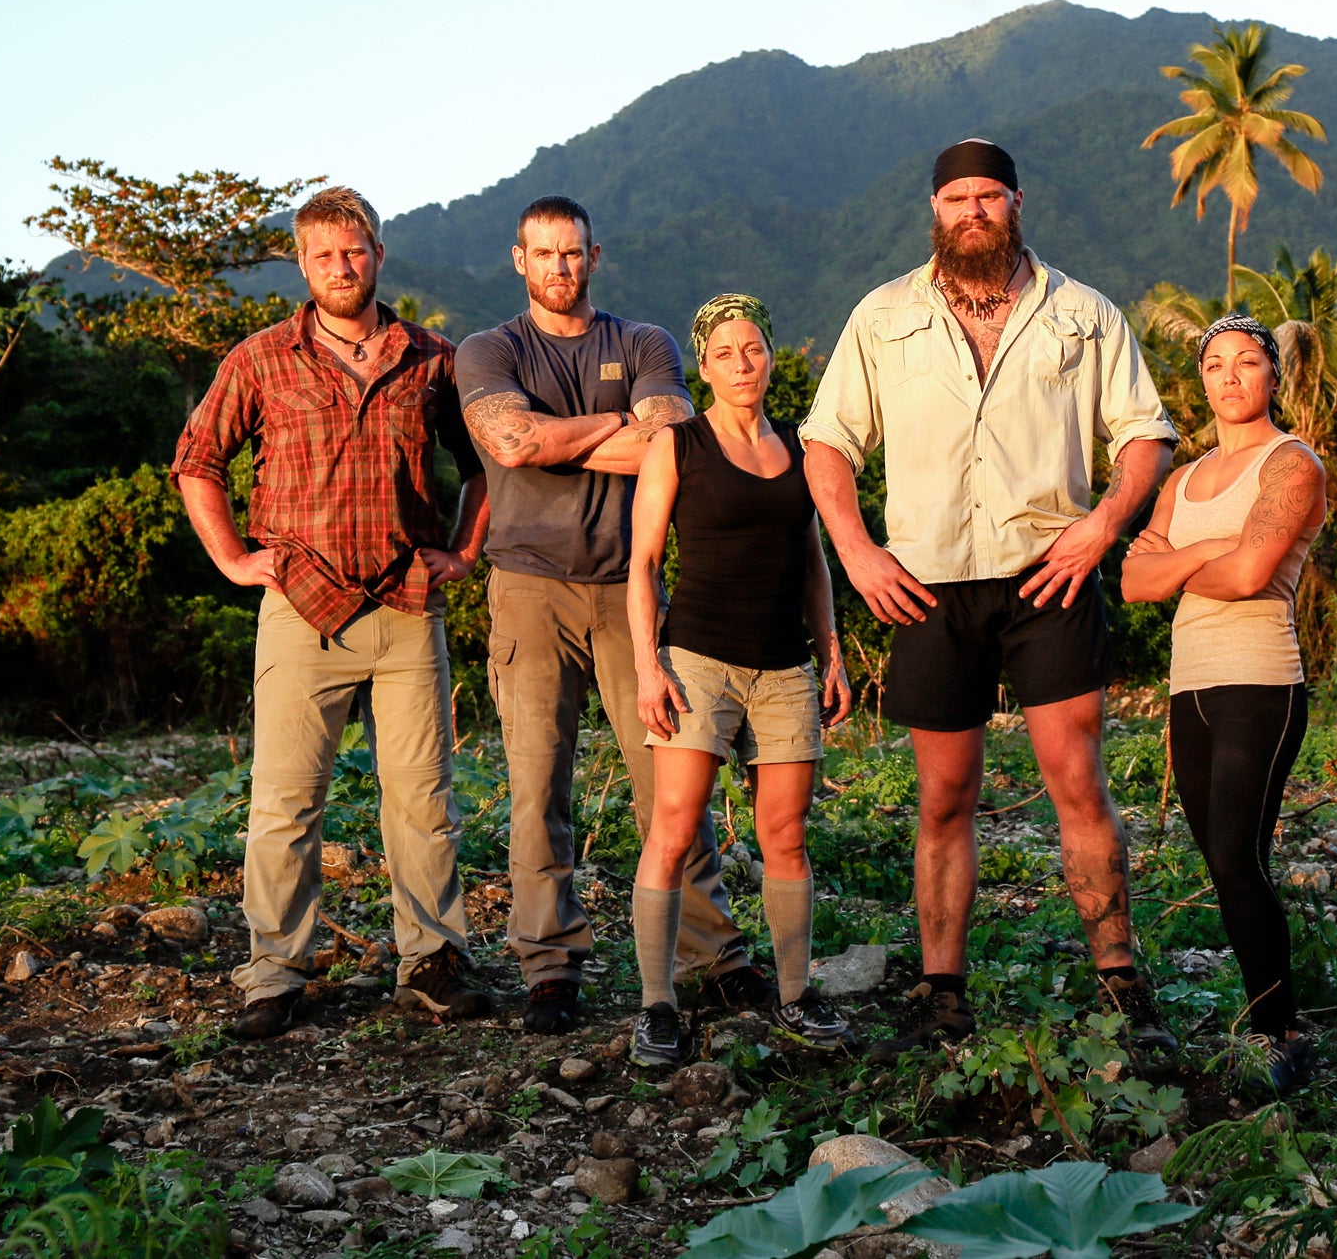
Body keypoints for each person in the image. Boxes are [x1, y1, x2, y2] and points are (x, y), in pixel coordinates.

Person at [799, 138, 1181, 1057]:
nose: (973, 210)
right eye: (957, 197)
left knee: (1078, 782)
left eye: (990, 196)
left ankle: (1120, 977)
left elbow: (1144, 436)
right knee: (944, 796)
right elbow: (827, 445)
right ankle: (943, 991)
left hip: (1048, 575)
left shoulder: (1083, 314)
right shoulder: (883, 315)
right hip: (927, 585)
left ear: (1017, 203)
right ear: (936, 209)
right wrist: (856, 551)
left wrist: (1101, 527)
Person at [171, 186, 495, 1040]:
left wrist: (462, 553)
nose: (340, 268)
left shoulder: (433, 357)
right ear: (303, 264)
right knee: (284, 801)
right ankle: (274, 973)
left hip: (404, 602)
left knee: (423, 797)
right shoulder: (261, 358)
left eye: (354, 252)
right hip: (300, 605)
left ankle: (429, 962)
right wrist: (236, 560)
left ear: (378, 255)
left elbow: (483, 466)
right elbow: (197, 460)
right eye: (323, 256)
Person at [456, 195, 767, 1036]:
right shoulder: (488, 349)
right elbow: (510, 443)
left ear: (597, 257)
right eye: (544, 254)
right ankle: (550, 966)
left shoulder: (644, 343)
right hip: (527, 585)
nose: (560, 267)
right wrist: (611, 427)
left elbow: (677, 439)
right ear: (518, 259)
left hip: (633, 587)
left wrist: (556, 433)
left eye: (574, 253)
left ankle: (712, 955)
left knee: (672, 776)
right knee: (536, 785)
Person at [622, 293, 856, 1073]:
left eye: (752, 348)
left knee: (784, 834)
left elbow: (815, 560)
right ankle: (657, 1006)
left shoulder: (800, 446)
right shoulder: (676, 446)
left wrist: (832, 650)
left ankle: (795, 993)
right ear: (704, 365)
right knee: (675, 827)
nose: (741, 364)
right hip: (698, 659)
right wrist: (647, 661)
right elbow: (644, 563)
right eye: (724, 353)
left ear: (771, 354)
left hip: (785, 663)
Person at [1121, 314, 1325, 1092]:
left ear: (1274, 375)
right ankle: (1267, 1011)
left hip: (1259, 680)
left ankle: (1282, 1034)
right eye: (1215, 364)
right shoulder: (1182, 478)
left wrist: (1183, 556)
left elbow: (1250, 579)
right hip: (1190, 684)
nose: (1230, 375)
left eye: (1247, 361)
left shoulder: (1291, 464)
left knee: (1239, 855)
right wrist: (1216, 549)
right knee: (1225, 860)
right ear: (1201, 379)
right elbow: (1136, 584)